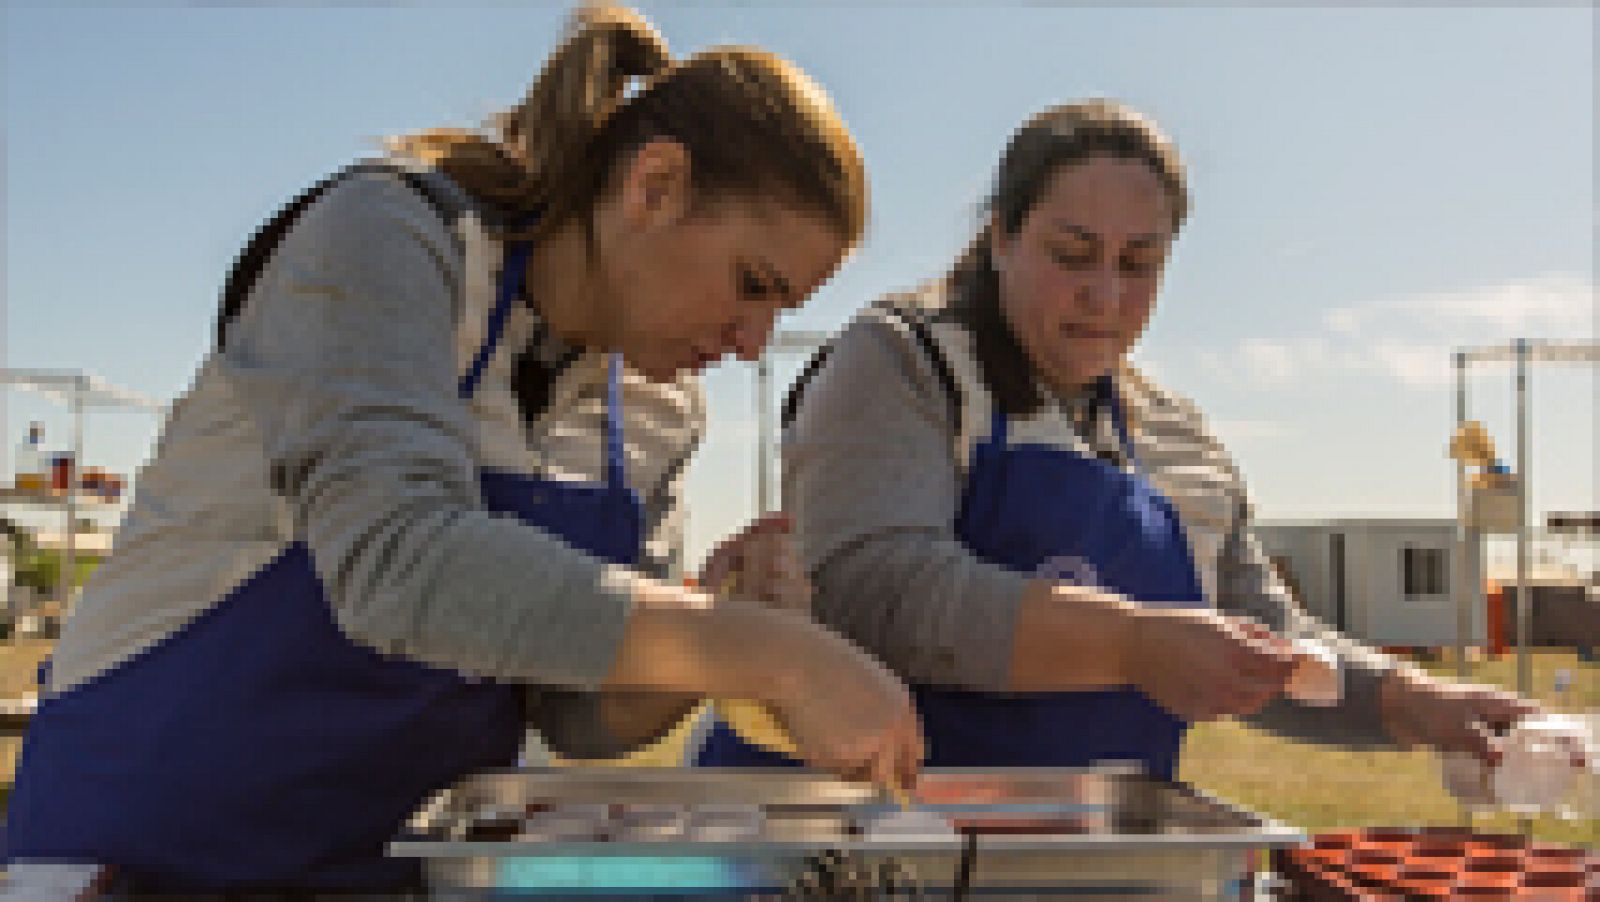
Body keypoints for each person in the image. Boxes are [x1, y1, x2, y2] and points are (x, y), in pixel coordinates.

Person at [2, 5, 921, 893]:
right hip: (144, 849)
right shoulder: (394, 241)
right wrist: (760, 652)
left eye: (781, 310)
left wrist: (706, 629)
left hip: (393, 869)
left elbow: (573, 713)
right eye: (751, 284)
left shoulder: (657, 413)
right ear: (655, 185)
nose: (755, 341)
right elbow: (396, 562)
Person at [695, 99, 1543, 782]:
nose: (1104, 295)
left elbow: (1261, 633)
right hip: (872, 849)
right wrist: (1135, 645)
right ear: (1000, 238)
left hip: (1075, 852)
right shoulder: (904, 362)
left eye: (1139, 264)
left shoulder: (1177, 437)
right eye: (1072, 254)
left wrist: (1412, 699)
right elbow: (878, 590)